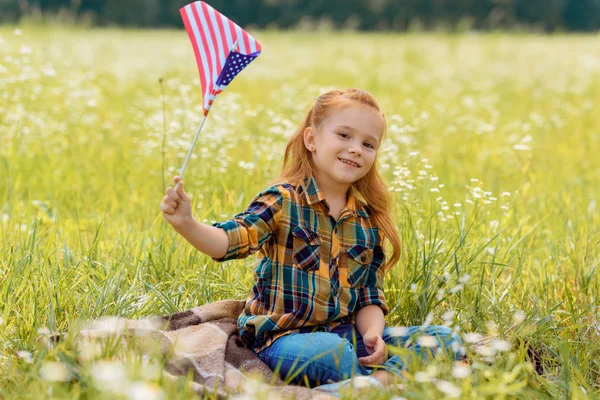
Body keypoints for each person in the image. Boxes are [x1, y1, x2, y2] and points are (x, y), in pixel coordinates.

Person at [160, 88, 464, 394]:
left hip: (348, 335)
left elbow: (370, 295)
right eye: (344, 135)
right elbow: (231, 241)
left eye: (368, 143)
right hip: (283, 340)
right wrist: (187, 223)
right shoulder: (283, 200)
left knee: (442, 338)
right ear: (312, 140)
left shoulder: (366, 220)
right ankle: (386, 383)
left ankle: (365, 387)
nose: (356, 148)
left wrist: (374, 334)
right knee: (334, 353)